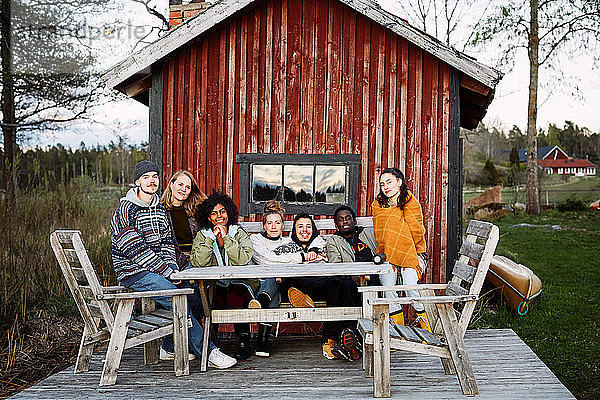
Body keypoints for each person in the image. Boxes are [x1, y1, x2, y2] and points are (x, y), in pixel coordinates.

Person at [110, 161, 237, 369]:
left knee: (196, 289)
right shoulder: (126, 209)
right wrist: (168, 272)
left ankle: (169, 347)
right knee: (176, 296)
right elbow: (134, 249)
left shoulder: (159, 210)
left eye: (154, 177)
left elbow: (168, 244)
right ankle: (209, 351)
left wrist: (174, 270)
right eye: (146, 177)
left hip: (161, 269)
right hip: (135, 271)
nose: (151, 181)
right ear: (137, 182)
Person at [283, 213, 362, 361]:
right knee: (289, 279)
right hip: (300, 283)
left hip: (322, 283)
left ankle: (332, 338)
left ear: (314, 229)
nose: (305, 230)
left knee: (339, 284)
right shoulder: (287, 246)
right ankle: (301, 298)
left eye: (308, 226)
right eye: (300, 227)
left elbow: (332, 262)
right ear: (294, 230)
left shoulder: (322, 244)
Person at [189, 190, 256, 360]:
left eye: (222, 211)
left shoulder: (238, 233)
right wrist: (211, 239)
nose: (219, 216)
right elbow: (199, 262)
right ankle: (213, 343)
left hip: (239, 281)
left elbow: (242, 259)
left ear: (228, 213)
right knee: (214, 300)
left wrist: (226, 238)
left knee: (235, 297)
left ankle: (243, 341)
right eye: (214, 213)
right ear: (208, 218)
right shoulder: (202, 236)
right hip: (215, 284)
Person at [371, 167, 431, 332]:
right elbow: (380, 234)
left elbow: (417, 232)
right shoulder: (378, 205)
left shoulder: (411, 202)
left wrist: (396, 221)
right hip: (386, 253)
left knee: (409, 282)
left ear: (399, 181)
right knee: (387, 285)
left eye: (389, 182)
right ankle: (399, 329)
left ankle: (425, 323)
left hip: (413, 253)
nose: (385, 187)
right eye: (382, 184)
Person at [248, 200, 296, 357]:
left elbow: (297, 259)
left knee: (276, 278)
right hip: (258, 283)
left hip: (280, 283)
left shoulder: (288, 241)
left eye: (277, 222)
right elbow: (263, 260)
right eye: (270, 223)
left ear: (283, 225)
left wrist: (278, 261)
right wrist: (284, 260)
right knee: (274, 278)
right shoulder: (256, 240)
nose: (274, 226)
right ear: (264, 225)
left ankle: (259, 305)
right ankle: (262, 342)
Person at [160, 170, 207, 319]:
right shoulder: (160, 210)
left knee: (198, 295)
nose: (183, 190)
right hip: (171, 260)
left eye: (188, 187)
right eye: (180, 184)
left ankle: (196, 333)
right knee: (187, 293)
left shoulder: (194, 211)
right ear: (171, 184)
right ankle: (192, 335)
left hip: (193, 260)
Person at [325, 205, 380, 306]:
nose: (345, 221)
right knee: (347, 286)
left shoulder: (367, 233)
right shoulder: (333, 241)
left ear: (354, 221)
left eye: (348, 218)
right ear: (336, 225)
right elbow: (335, 265)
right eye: (340, 220)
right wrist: (350, 274)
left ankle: (378, 317)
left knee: (380, 280)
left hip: (374, 273)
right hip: (351, 278)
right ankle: (351, 321)